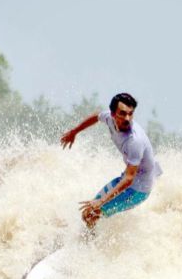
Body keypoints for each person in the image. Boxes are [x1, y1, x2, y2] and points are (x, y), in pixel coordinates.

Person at [60, 93, 163, 228]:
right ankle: (90, 242)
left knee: (93, 212)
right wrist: (74, 132)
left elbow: (129, 179)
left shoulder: (134, 141)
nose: (127, 118)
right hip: (127, 179)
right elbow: (96, 117)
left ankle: (91, 246)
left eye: (131, 114)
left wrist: (101, 201)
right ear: (113, 114)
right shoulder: (109, 117)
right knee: (88, 213)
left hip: (139, 189)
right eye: (123, 113)